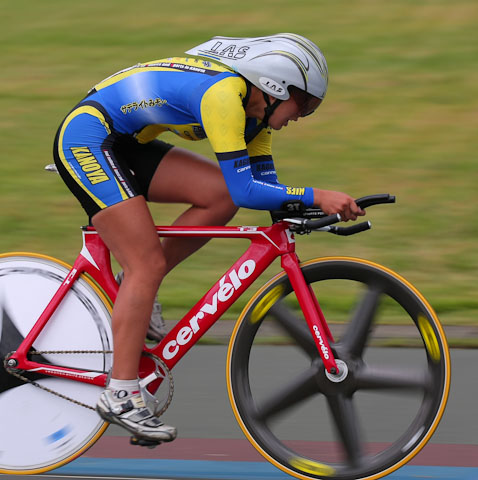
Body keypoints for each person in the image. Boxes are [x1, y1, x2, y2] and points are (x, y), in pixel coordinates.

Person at [52, 33, 365, 443]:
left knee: (215, 197)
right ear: (274, 86)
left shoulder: (256, 120)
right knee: (146, 261)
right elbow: (247, 191)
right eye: (304, 103)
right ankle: (121, 394)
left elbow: (263, 189)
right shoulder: (223, 97)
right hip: (88, 140)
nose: (303, 115)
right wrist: (318, 195)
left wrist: (306, 207)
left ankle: (135, 291)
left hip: (126, 144)